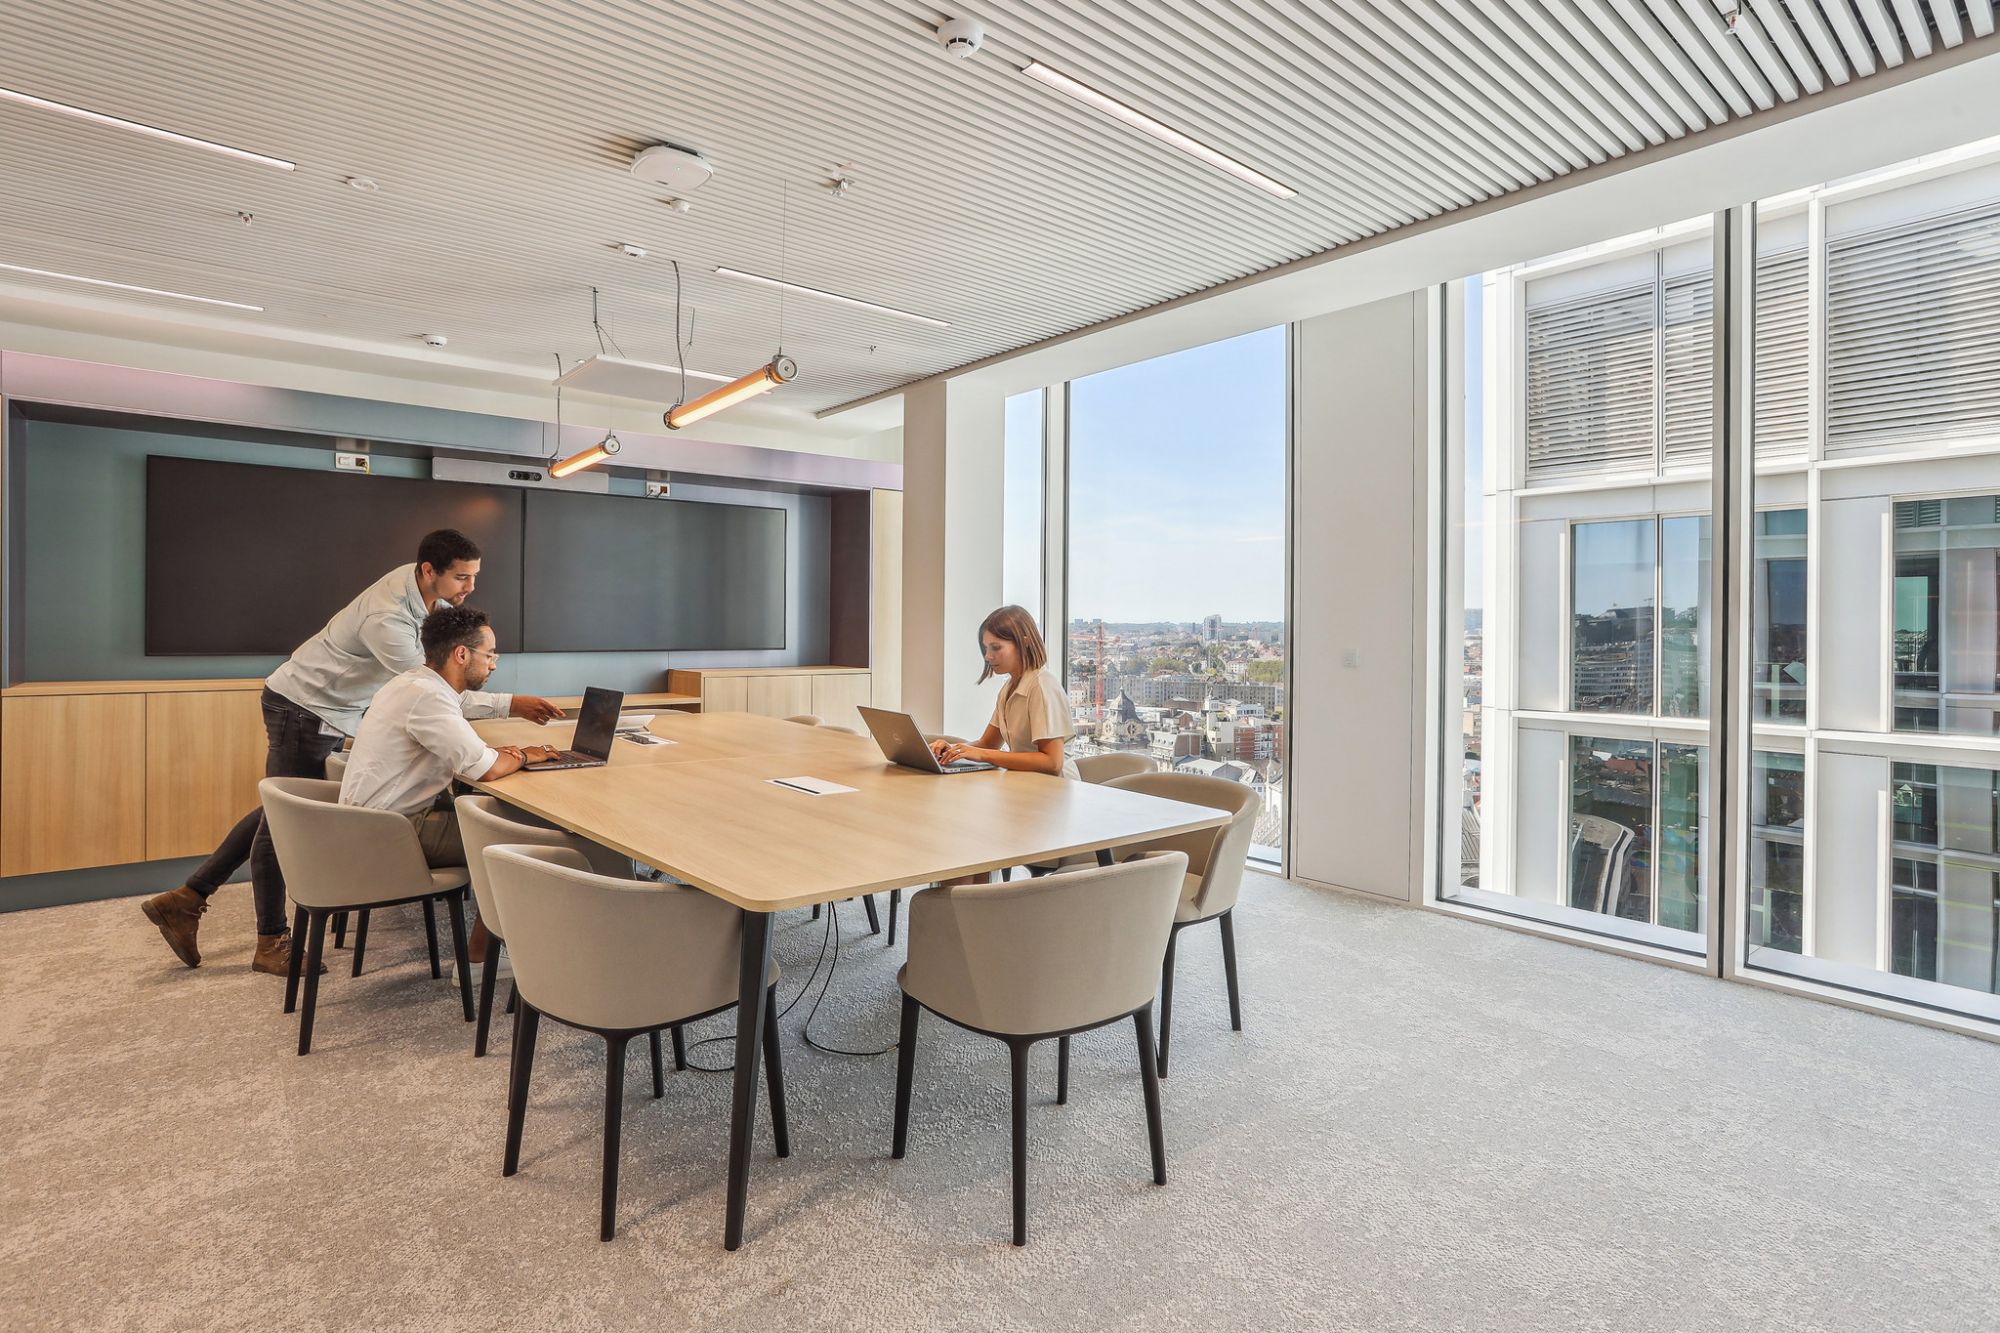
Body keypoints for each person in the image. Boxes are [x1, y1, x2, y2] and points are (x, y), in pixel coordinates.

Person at [139, 529, 564, 976]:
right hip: (306, 705)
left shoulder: (429, 600)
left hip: (339, 709)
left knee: (277, 812)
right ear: (429, 571)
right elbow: (440, 686)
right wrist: (510, 705)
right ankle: (270, 941)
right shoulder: (388, 618)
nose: (470, 587)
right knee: (281, 821)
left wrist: (507, 708)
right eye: (462, 577)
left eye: (473, 576)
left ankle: (189, 897)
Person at [338, 606, 557, 865]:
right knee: (530, 845)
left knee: (505, 822)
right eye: (489, 655)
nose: (493, 665)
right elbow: (487, 769)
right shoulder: (429, 696)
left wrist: (497, 749)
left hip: (369, 820)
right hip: (393, 830)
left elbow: (464, 714)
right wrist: (527, 755)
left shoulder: (411, 683)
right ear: (461, 654)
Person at [931, 604, 1079, 779]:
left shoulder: (1042, 686)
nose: (988, 656)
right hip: (1029, 784)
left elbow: (1052, 763)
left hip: (1057, 788)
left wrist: (982, 755)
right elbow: (988, 743)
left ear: (1025, 643)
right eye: (986, 648)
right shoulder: (1009, 688)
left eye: (996, 647)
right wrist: (952, 750)